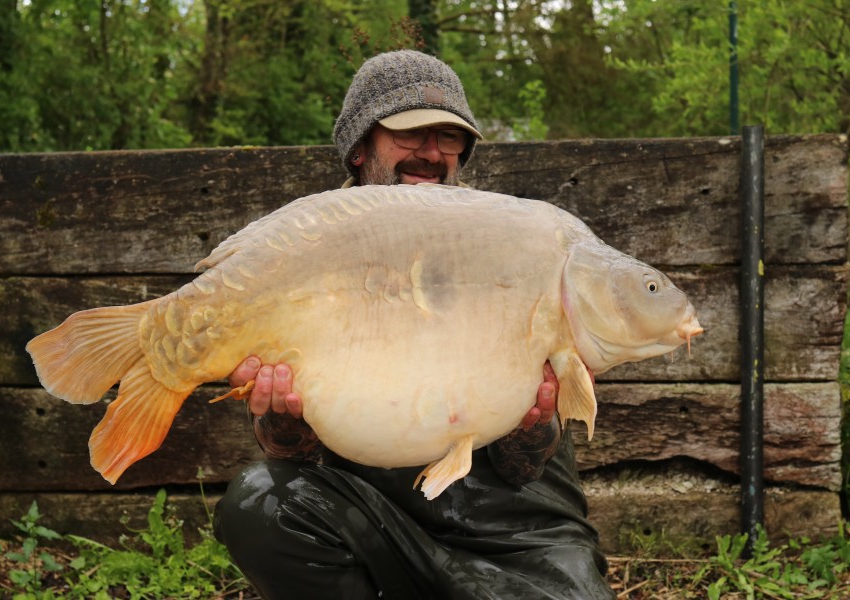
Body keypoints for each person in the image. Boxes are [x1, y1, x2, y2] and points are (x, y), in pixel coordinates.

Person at [213, 49, 616, 600]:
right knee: (258, 503)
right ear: (359, 148)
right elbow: (288, 455)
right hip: (377, 527)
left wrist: (532, 421)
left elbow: (528, 468)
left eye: (449, 138)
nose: (431, 152)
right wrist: (282, 415)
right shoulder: (306, 250)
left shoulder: (520, 244)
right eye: (410, 133)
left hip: (518, 539)